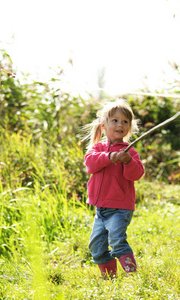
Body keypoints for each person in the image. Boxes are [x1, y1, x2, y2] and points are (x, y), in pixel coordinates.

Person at [84, 99, 145, 278]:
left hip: (120, 208)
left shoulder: (130, 151)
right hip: (100, 209)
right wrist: (110, 157)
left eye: (125, 121)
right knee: (96, 246)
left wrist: (127, 161)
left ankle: (133, 276)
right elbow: (90, 165)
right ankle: (110, 279)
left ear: (130, 127)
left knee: (117, 241)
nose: (120, 124)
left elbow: (136, 174)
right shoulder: (98, 149)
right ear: (104, 125)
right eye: (115, 120)